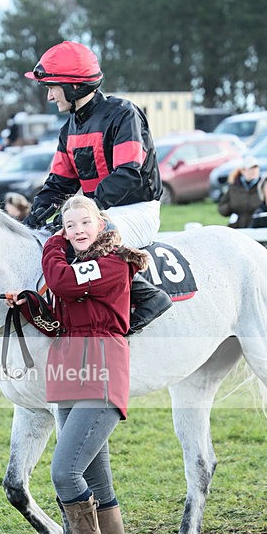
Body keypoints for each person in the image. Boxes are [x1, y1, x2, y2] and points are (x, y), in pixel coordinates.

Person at [7, 195, 149, 534]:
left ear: (99, 223)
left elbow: (63, 282)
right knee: (96, 477)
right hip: (68, 371)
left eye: (84, 223)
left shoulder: (113, 261)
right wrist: (30, 305)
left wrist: (50, 245)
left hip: (102, 369)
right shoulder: (76, 265)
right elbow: (58, 322)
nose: (77, 231)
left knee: (65, 472)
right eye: (69, 227)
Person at [23, 40, 171, 331]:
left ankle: (150, 297)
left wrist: (86, 209)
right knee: (50, 236)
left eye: (52, 87)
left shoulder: (123, 113)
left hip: (137, 208)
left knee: (87, 232)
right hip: (98, 211)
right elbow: (58, 185)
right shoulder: (70, 128)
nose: (50, 97)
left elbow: (130, 173)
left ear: (74, 86)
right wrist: (29, 221)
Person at [218, 155, 263, 229]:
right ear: (243, 170)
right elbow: (222, 209)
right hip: (238, 227)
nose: (254, 170)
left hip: (258, 227)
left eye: (256, 168)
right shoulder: (233, 187)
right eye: (251, 168)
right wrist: (231, 206)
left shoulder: (264, 185)